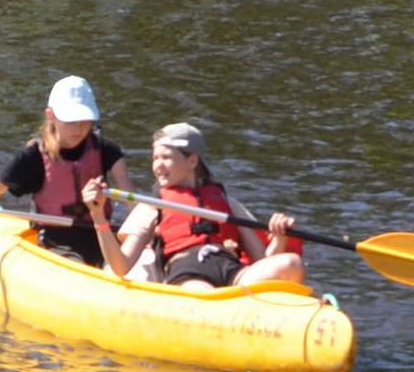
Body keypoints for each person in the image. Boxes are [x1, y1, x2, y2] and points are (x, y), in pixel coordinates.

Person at [0, 75, 129, 269]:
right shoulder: (33, 157)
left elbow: (132, 203)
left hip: (101, 233)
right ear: (51, 115)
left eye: (84, 120)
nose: (79, 128)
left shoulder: (106, 150)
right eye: (71, 120)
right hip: (58, 240)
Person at [112, 121, 305, 289]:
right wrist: (98, 219)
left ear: (192, 161)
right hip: (188, 272)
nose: (158, 166)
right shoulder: (152, 206)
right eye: (155, 158)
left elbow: (261, 260)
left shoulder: (228, 204)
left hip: (230, 270)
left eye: (166, 158)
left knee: (292, 263)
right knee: (205, 293)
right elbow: (122, 265)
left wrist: (280, 239)